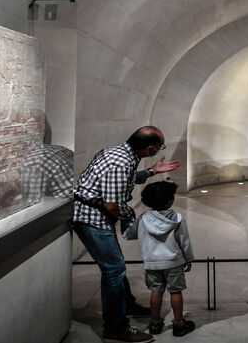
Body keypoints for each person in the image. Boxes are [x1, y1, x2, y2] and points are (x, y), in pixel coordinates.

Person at [72, 126, 180, 342]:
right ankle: (115, 328)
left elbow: (126, 179)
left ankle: (127, 304)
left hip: (96, 214)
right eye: (160, 147)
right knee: (114, 269)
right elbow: (112, 205)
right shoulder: (121, 162)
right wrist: (135, 222)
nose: (159, 151)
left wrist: (152, 172)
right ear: (149, 148)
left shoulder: (119, 152)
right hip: (91, 217)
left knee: (116, 265)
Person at [127, 181, 196, 337]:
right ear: (169, 201)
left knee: (156, 291)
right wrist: (188, 258)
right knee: (176, 291)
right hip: (173, 262)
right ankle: (179, 324)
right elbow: (184, 241)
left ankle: (155, 323)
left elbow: (130, 234)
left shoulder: (143, 218)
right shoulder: (177, 218)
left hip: (152, 263)